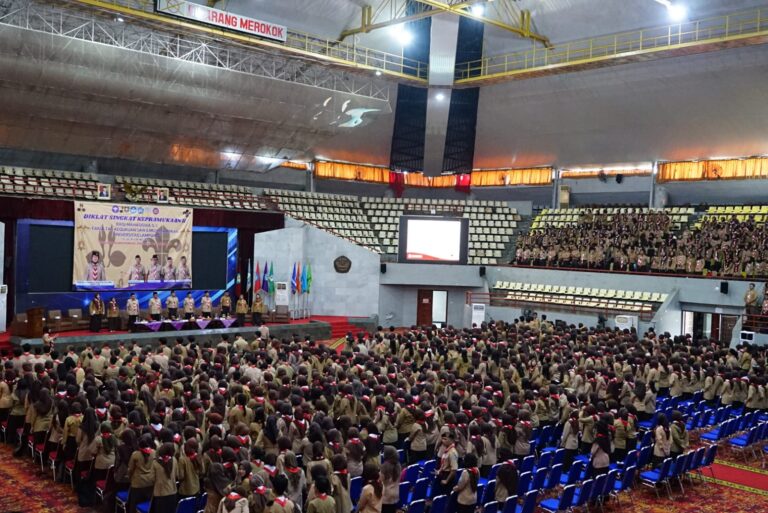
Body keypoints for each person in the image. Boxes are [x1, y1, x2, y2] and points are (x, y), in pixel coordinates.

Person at [152, 442, 178, 513]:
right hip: (173, 492)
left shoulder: (155, 463)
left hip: (160, 494)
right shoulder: (174, 460)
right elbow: (177, 474)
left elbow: (152, 479)